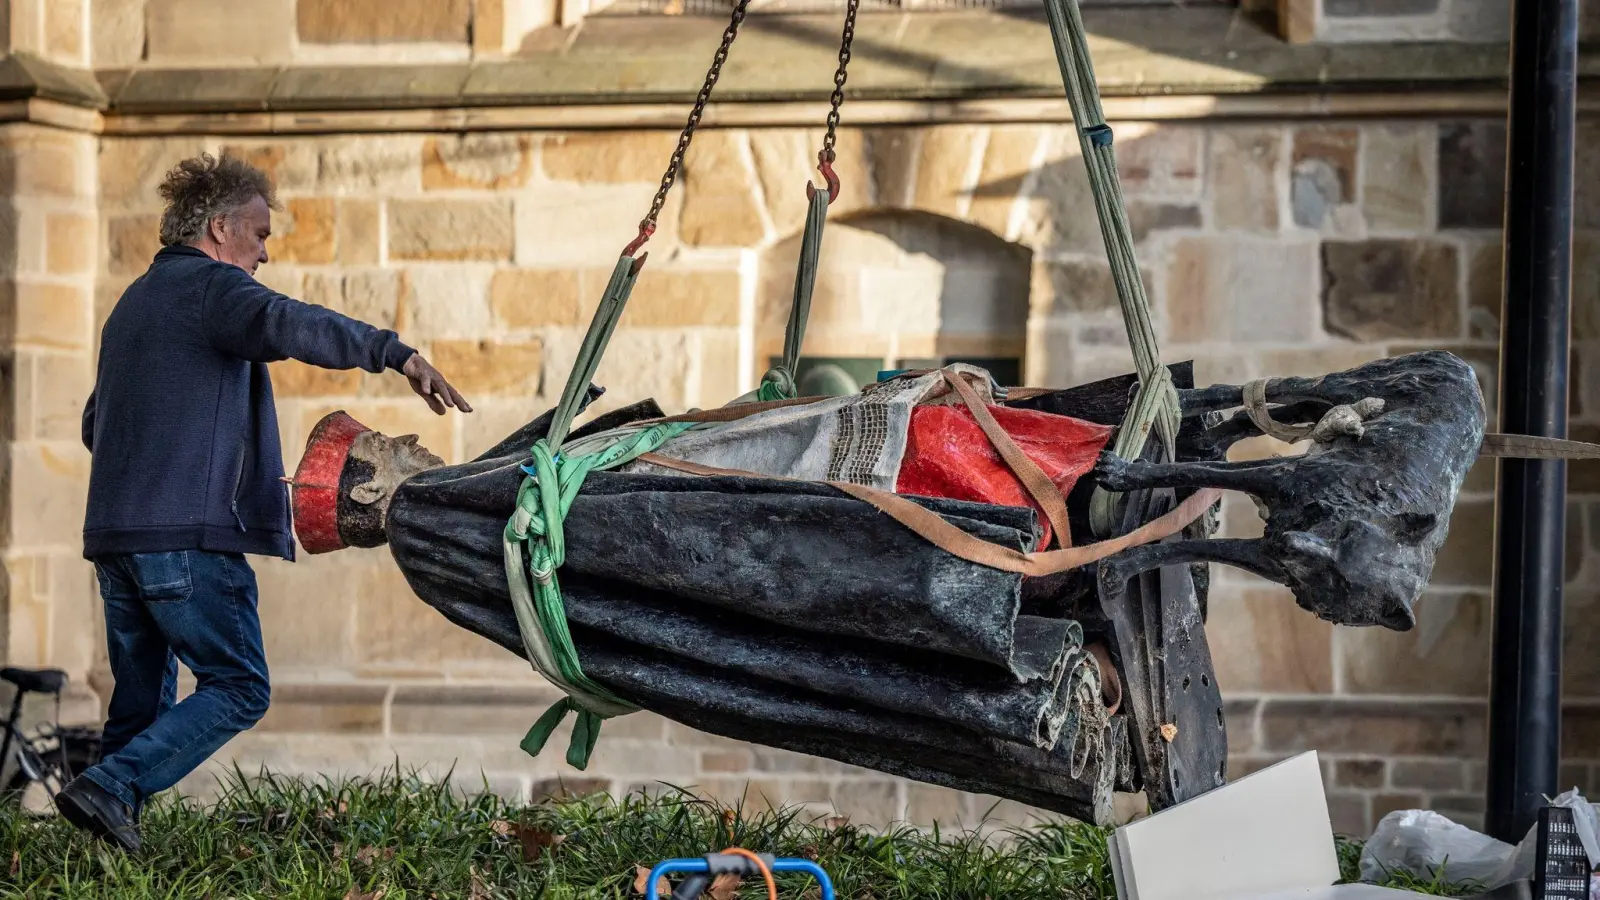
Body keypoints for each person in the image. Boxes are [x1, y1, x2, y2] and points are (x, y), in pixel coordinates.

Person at [58, 153, 471, 852]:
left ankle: (102, 853)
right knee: (241, 685)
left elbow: (97, 425)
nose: (265, 252)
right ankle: (111, 788)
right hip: (186, 545)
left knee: (137, 707)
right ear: (219, 228)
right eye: (257, 234)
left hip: (117, 543)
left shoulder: (132, 306)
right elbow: (289, 322)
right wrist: (395, 353)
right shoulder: (213, 289)